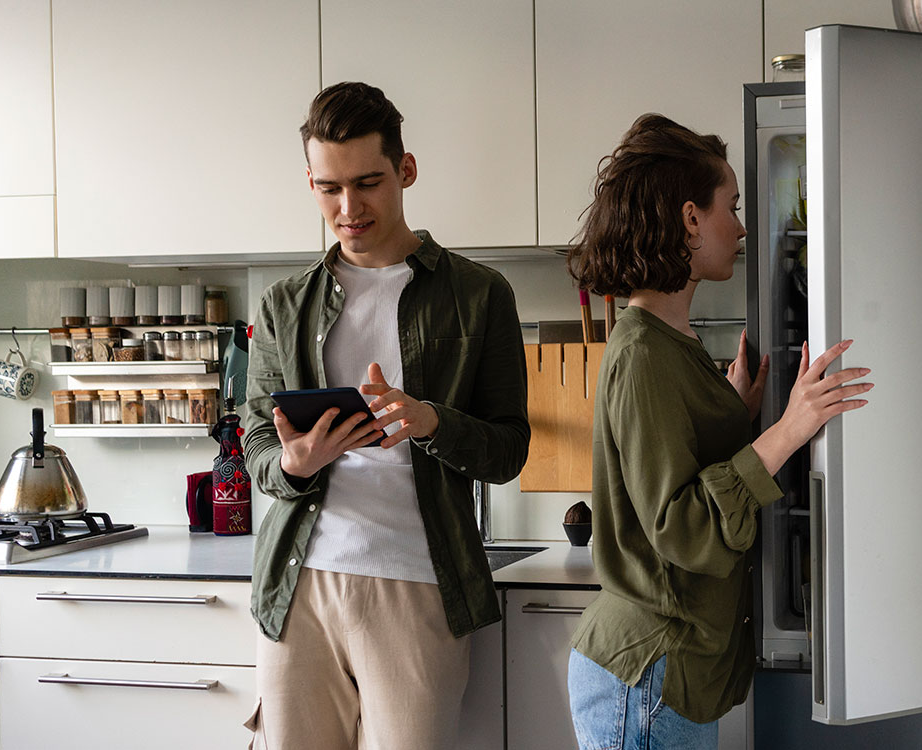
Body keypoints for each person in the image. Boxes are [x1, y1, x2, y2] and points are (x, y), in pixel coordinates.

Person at [565, 113, 874, 749]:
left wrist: (735, 412)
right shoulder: (644, 354)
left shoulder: (673, 344)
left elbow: (686, 462)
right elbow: (681, 525)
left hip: (664, 673)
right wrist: (787, 431)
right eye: (730, 206)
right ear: (689, 219)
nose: (740, 226)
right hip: (646, 675)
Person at [241, 81, 530, 749]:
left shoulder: (478, 295)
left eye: (367, 182)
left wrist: (430, 423)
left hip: (416, 582)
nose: (348, 208)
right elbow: (258, 440)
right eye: (327, 188)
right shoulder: (284, 304)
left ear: (406, 170)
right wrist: (293, 462)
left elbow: (509, 450)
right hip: (296, 587)